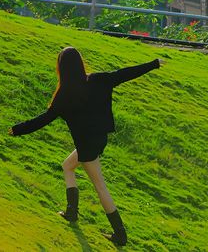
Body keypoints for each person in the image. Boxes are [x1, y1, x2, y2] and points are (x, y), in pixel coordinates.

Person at [10, 46, 164, 247]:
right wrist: (153, 64)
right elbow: (123, 74)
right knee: (67, 166)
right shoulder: (97, 80)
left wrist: (17, 130)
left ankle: (120, 235)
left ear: (61, 68)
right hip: (99, 139)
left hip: (87, 146)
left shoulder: (64, 95)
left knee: (100, 186)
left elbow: (43, 119)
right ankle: (72, 212)